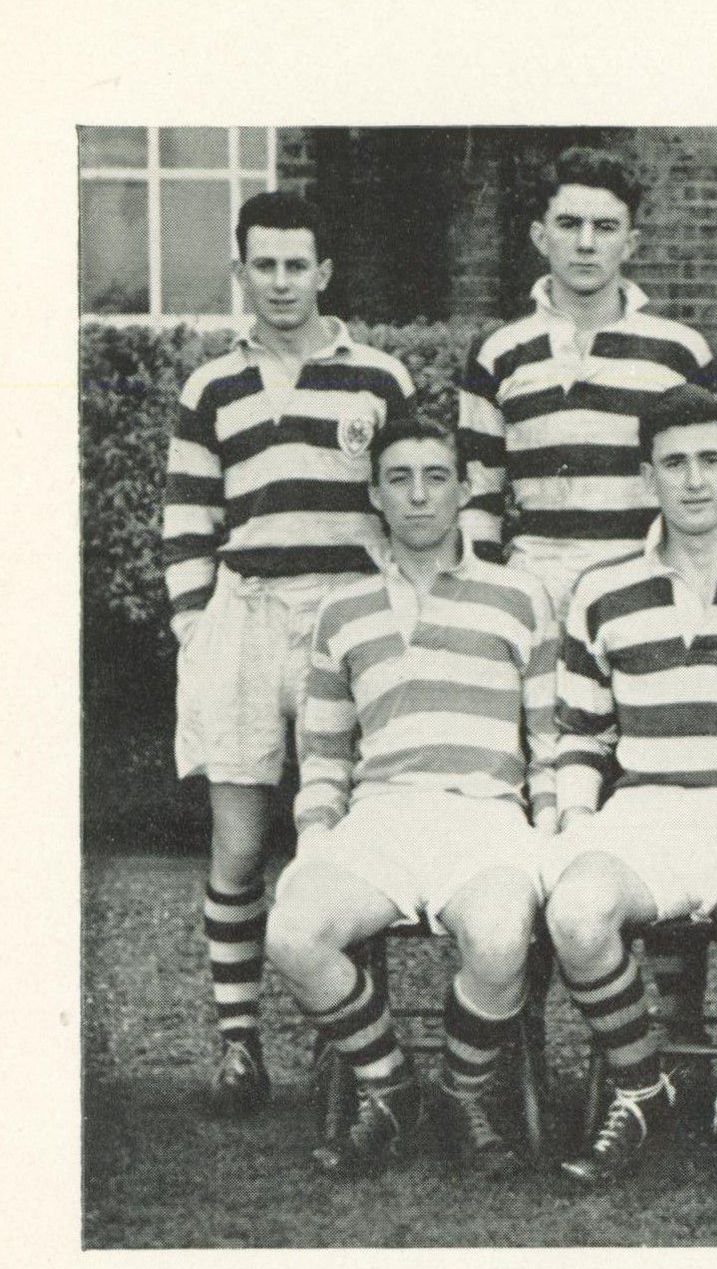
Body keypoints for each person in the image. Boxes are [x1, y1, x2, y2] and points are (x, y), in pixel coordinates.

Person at [162, 190, 416, 1117]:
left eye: (296, 265)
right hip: (245, 615)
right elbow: (188, 518)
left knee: (339, 836)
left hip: (345, 618)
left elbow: (409, 502)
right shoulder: (212, 386)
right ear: (241, 272)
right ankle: (240, 1045)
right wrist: (197, 626)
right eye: (263, 265)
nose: (280, 282)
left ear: (324, 272)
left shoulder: (376, 377)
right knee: (238, 844)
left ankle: (344, 1035)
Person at [544, 386, 717, 1188]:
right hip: (646, 811)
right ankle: (642, 1086)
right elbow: (582, 732)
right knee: (575, 912)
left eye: (711, 459)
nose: (695, 479)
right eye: (674, 463)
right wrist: (576, 818)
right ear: (648, 477)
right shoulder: (602, 588)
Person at [264, 418, 556, 1178]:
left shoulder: (520, 597)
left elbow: (551, 741)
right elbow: (324, 754)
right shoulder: (343, 608)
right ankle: (392, 1086)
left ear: (466, 488)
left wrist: (552, 833)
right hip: (382, 819)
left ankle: (461, 1091)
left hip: (485, 815)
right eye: (399, 478)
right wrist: (315, 838)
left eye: (436, 476)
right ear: (375, 493)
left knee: (500, 937)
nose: (419, 495)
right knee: (291, 932)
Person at [457, 145, 717, 610]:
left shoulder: (680, 352)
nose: (585, 243)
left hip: (648, 594)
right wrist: (489, 599)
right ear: (540, 237)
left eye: (605, 227)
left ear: (630, 243)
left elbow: (712, 494)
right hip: (535, 594)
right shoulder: (497, 353)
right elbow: (479, 498)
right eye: (569, 224)